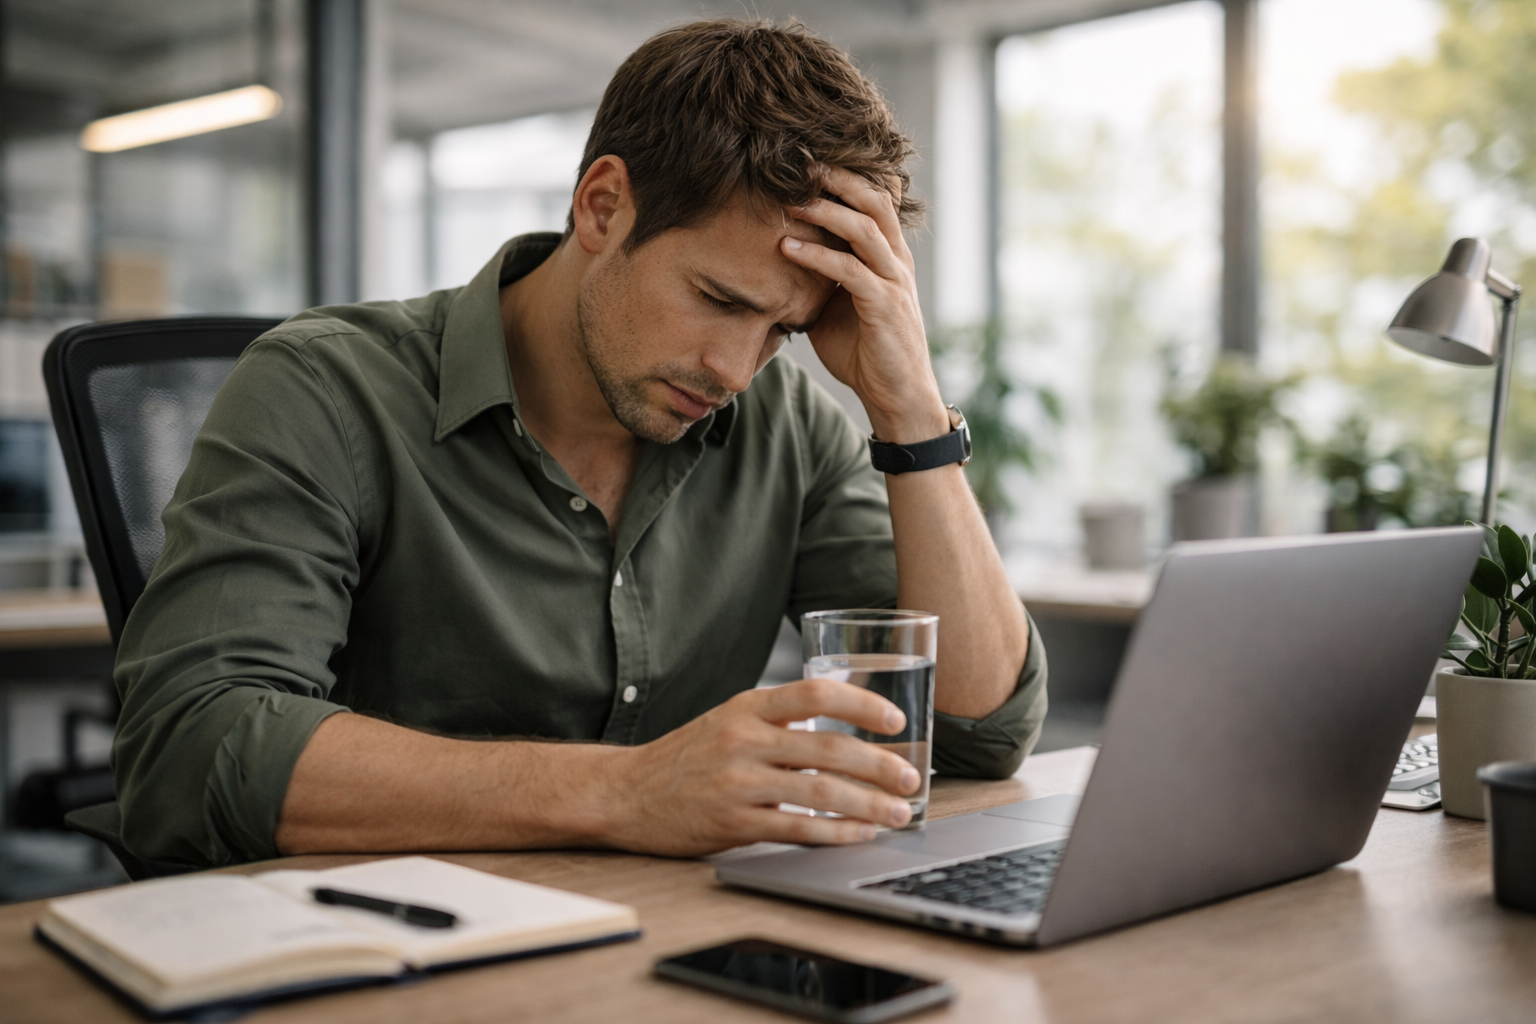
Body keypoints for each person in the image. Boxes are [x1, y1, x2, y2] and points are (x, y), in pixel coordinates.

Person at [112, 18, 1047, 868]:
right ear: (603, 206)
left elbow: (977, 730)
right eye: (720, 300)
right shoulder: (325, 388)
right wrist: (628, 792)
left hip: (646, 949)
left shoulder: (786, 428)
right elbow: (192, 747)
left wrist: (911, 414)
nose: (735, 368)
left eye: (781, 331)